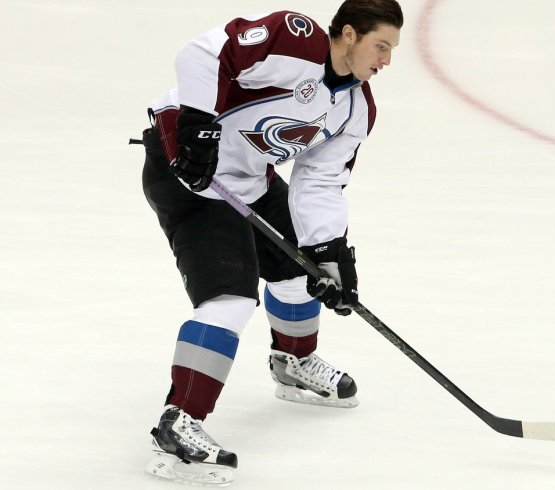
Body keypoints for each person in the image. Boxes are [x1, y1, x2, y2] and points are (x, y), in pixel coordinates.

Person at [137, 1, 403, 484]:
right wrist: (195, 123)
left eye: (391, 50)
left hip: (248, 179)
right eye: (380, 46)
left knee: (305, 270)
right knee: (230, 299)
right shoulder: (293, 39)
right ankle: (179, 420)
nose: (386, 60)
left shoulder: (355, 107)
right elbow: (202, 54)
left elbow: (319, 182)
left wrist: (329, 254)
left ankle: (293, 360)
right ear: (348, 34)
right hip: (189, 173)